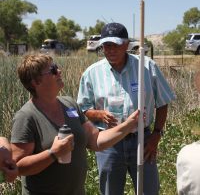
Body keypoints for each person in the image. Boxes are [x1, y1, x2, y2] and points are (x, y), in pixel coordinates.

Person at [10, 54, 140, 195]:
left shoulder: (69, 104)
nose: (59, 71)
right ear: (36, 82)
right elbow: (18, 166)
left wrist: (128, 125)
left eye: (57, 67)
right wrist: (53, 153)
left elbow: (95, 140)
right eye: (53, 70)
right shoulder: (26, 117)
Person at [77, 22, 176, 195]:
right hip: (109, 143)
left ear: (126, 44)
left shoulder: (146, 67)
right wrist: (99, 114)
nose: (110, 50)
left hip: (142, 141)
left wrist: (156, 135)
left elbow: (163, 101)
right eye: (106, 45)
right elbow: (83, 110)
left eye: (115, 44)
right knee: (110, 191)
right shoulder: (92, 73)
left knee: (149, 190)